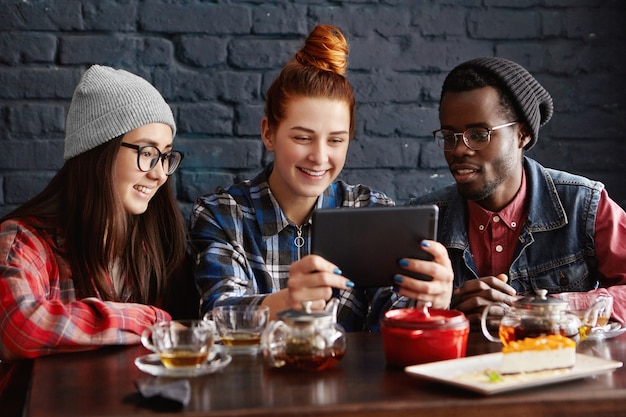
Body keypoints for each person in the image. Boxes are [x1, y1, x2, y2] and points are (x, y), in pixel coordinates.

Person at [190, 25, 453, 332]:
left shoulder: (370, 209)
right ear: (268, 133)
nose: (319, 157)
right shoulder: (222, 215)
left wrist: (431, 302)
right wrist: (287, 302)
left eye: (336, 141)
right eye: (303, 138)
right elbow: (216, 316)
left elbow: (394, 319)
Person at [409, 57, 626, 325]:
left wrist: (537, 310)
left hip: (563, 366)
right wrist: (449, 310)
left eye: (478, 134)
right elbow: (388, 313)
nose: (459, 149)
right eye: (449, 136)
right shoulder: (424, 221)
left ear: (522, 134)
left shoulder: (583, 204)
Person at [0, 65, 196, 360]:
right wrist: (153, 322)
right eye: (147, 153)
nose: (160, 174)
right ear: (98, 152)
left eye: (166, 156)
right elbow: (22, 328)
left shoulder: (150, 244)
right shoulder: (23, 241)